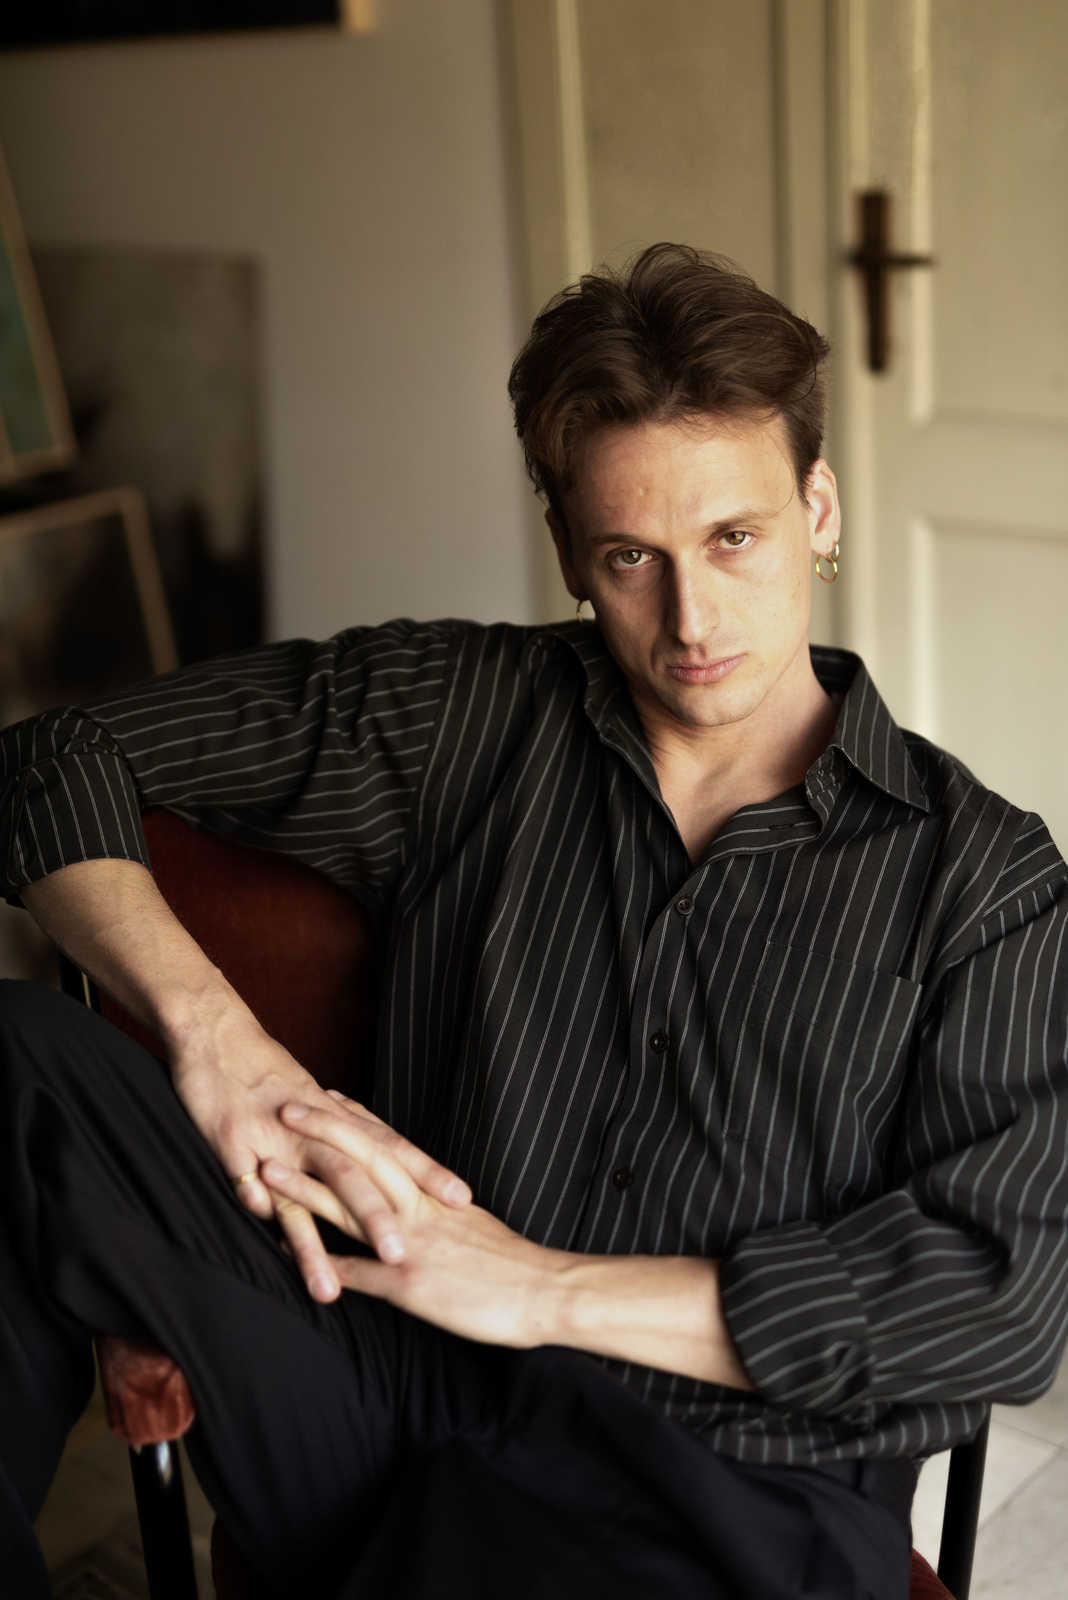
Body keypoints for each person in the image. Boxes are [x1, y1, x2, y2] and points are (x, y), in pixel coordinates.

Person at [2, 243, 1066, 1600]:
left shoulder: (986, 879)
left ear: (818, 509)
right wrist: (218, 1039)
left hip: (720, 1484)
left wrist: (535, 1288)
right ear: (570, 551)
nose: (691, 618)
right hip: (378, 1373)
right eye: (632, 556)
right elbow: (51, 761)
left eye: (733, 538)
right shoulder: (468, 709)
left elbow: (997, 1301)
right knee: (18, 1064)